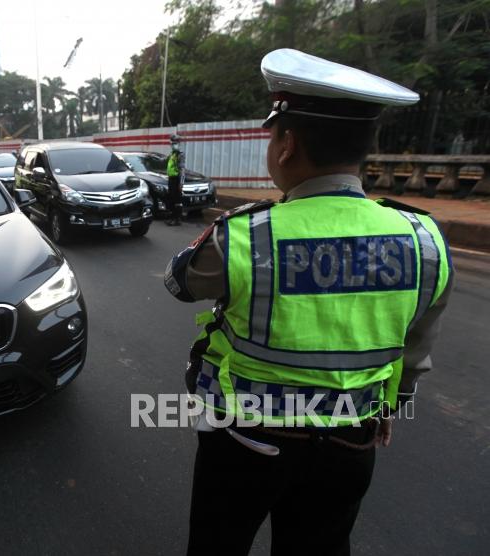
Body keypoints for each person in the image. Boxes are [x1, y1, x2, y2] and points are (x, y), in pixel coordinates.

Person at [165, 49, 453, 556]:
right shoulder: (424, 238)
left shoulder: (247, 236)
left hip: (245, 441)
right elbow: (414, 353)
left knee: (217, 544)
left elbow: (180, 281)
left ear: (287, 143)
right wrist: (391, 405)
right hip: (351, 440)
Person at [165, 135, 184, 226]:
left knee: (177, 200)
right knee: (171, 199)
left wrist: (181, 183)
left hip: (177, 180)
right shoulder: (172, 154)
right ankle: (172, 218)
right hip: (171, 179)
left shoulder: (180, 154)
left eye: (175, 143)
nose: (173, 145)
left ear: (178, 144)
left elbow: (182, 170)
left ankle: (177, 219)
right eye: (172, 144)